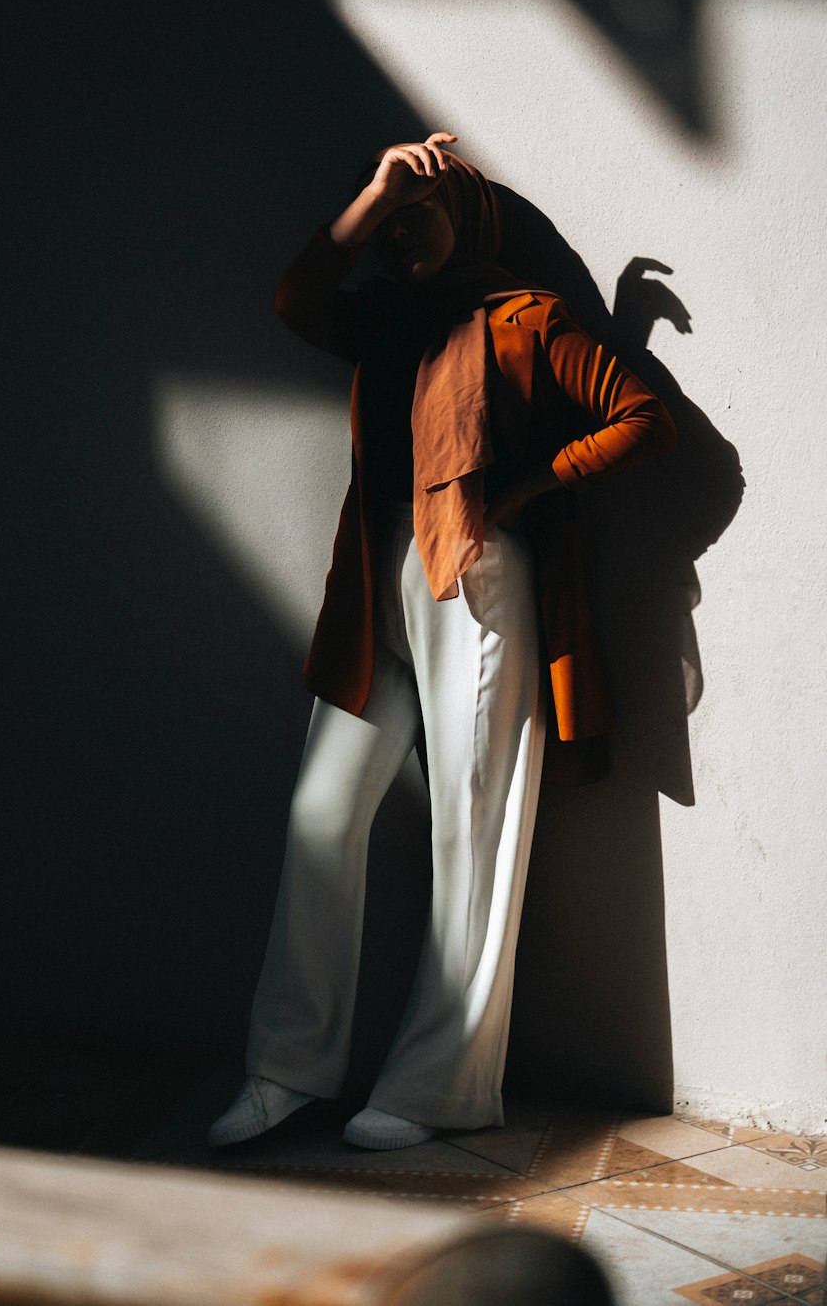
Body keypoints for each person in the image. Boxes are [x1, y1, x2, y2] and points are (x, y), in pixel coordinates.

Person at [209, 133, 677, 1151]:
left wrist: (523, 486)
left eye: (425, 210)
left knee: (470, 827)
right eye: (392, 218)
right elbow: (297, 298)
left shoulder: (525, 318)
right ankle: (287, 1068)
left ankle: (436, 1087)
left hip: (477, 578)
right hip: (375, 585)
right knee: (321, 814)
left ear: (471, 219)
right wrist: (375, 189)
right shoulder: (380, 322)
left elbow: (643, 416)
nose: (404, 229)